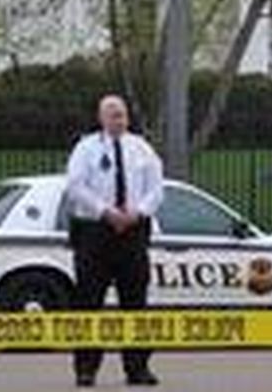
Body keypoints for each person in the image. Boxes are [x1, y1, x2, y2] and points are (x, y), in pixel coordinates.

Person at [65, 94, 164, 387]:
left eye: (121, 114)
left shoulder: (142, 149)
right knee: (88, 302)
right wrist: (106, 211)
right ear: (101, 118)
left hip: (132, 232)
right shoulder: (86, 149)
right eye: (112, 115)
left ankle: (137, 368)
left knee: (135, 301)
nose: (118, 120)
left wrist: (138, 212)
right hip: (95, 232)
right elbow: (75, 186)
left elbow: (156, 189)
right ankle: (86, 369)